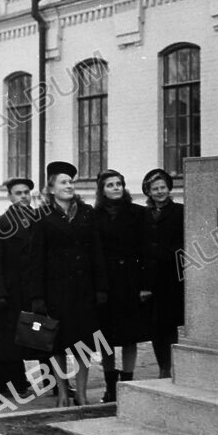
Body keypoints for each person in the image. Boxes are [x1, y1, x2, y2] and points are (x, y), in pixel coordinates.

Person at [27, 162, 107, 407]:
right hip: (56, 292)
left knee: (83, 343)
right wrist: (37, 296)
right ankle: (63, 392)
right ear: (51, 188)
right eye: (63, 182)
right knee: (58, 343)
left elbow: (97, 252)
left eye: (71, 182)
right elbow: (35, 259)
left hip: (83, 290)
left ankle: (81, 393)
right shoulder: (42, 218)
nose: (69, 186)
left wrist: (101, 287)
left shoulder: (86, 213)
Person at [94, 169, 153, 402]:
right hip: (106, 285)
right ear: (102, 190)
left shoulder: (138, 213)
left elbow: (147, 252)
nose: (115, 188)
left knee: (130, 335)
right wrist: (97, 287)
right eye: (110, 185)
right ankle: (110, 387)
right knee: (105, 337)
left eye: (119, 183)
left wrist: (145, 285)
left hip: (131, 282)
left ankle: (127, 384)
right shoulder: (94, 215)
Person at [0, 177, 39, 399]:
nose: (23, 196)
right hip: (12, 292)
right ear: (9, 196)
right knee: (11, 341)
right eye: (18, 193)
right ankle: (17, 382)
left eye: (26, 192)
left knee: (42, 334)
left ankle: (53, 381)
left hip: (35, 290)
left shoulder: (40, 221)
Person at [141, 169, 184, 379]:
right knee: (156, 327)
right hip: (151, 280)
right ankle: (163, 367)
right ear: (148, 192)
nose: (160, 192)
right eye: (155, 189)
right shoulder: (144, 215)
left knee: (172, 325)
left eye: (163, 188)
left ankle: (174, 366)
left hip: (173, 278)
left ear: (169, 189)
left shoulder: (180, 211)